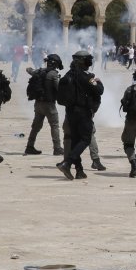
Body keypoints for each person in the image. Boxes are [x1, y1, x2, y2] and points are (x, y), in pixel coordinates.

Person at [56, 51, 104, 180]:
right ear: (83, 61)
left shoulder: (69, 74)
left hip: (70, 112)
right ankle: (67, 163)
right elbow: (99, 90)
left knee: (75, 140)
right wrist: (99, 82)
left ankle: (79, 170)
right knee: (86, 139)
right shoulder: (86, 76)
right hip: (83, 112)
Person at [24, 54, 65, 156]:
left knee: (36, 127)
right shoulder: (53, 74)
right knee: (54, 126)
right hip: (49, 105)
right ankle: (57, 148)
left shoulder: (40, 71)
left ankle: (29, 146)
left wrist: (33, 70)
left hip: (38, 104)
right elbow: (59, 89)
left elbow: (29, 70)